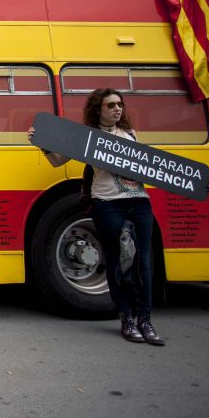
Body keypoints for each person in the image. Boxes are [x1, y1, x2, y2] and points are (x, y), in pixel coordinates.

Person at [28, 88, 165, 345]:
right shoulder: (87, 139)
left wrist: (191, 184)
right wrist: (43, 146)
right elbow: (58, 161)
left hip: (139, 203)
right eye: (111, 105)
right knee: (118, 262)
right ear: (98, 109)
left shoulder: (131, 135)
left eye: (120, 105)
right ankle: (126, 318)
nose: (117, 109)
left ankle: (145, 321)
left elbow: (154, 169)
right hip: (108, 204)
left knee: (142, 264)